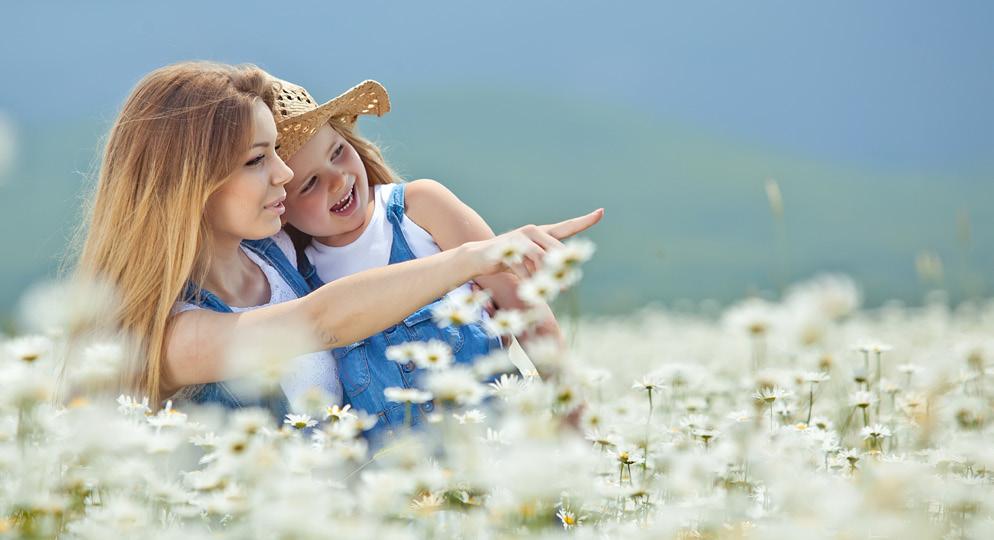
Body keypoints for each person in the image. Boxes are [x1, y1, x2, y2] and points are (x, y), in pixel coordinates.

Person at [74, 61, 602, 421]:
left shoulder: (278, 261)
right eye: (258, 160)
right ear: (187, 185)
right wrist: (468, 259)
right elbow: (320, 323)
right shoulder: (169, 336)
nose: (283, 173)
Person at [264, 76, 564, 435]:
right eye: (309, 184)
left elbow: (525, 309)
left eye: (338, 152)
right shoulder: (300, 283)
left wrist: (572, 417)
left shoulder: (417, 210)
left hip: (503, 446)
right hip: (400, 481)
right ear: (282, 207)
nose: (338, 180)